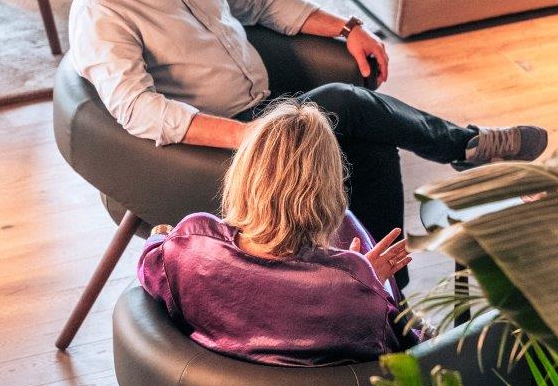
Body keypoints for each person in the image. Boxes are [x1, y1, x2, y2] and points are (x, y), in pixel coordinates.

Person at [69, 0, 547, 282]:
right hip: (212, 147)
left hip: (266, 111)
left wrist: (348, 28)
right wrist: (248, 136)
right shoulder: (103, 6)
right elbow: (139, 110)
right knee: (343, 101)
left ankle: (389, 296)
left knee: (372, 143)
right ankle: (464, 145)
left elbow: (257, 1)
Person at [137, 100, 420, 366]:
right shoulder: (353, 289)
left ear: (243, 174)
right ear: (329, 190)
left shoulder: (188, 244)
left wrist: (162, 233)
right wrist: (368, 283)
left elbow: (151, 261)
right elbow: (403, 353)